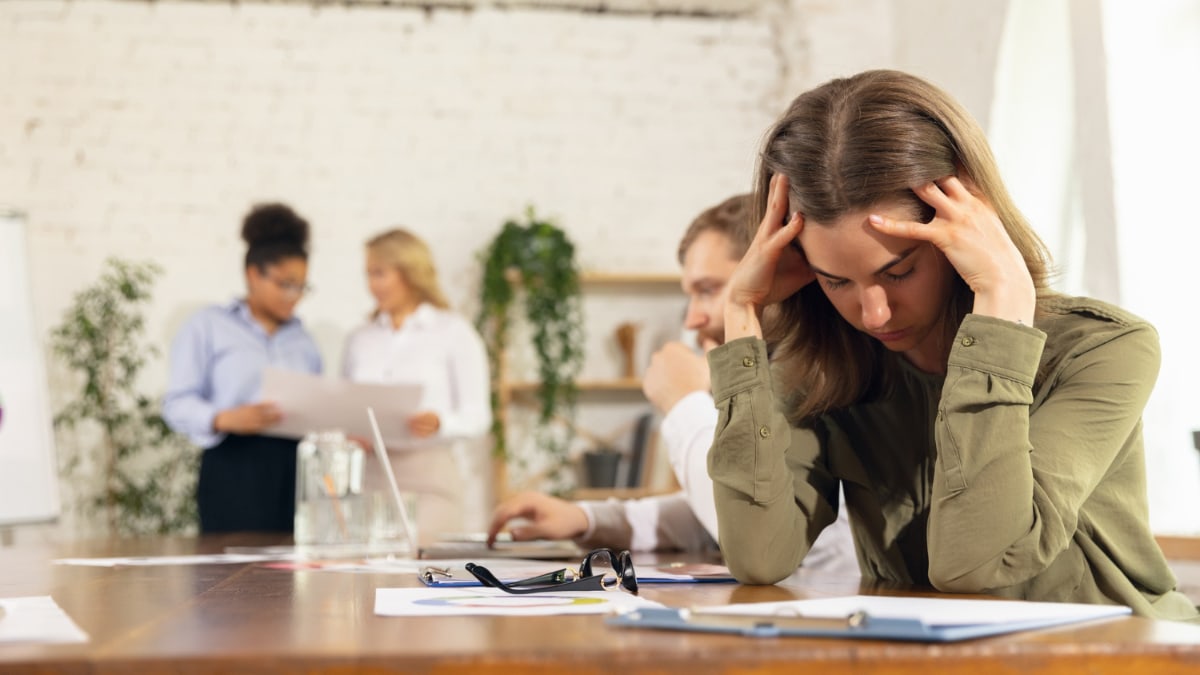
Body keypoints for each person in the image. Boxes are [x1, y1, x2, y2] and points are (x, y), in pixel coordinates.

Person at [709, 69, 1197, 619]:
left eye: (900, 271)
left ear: (965, 222)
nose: (874, 314)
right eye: (836, 281)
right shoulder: (822, 370)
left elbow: (974, 564)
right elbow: (758, 555)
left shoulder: (1106, 350)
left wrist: (1001, 304)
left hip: (1123, 657)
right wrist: (740, 314)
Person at [487, 195, 857, 573]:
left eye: (708, 290)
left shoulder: (823, 378)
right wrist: (587, 519)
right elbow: (732, 503)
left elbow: (769, 537)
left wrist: (684, 404)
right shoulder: (775, 369)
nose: (693, 318)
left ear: (774, 272)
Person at [164, 203, 322, 533]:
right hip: (234, 466)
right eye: (285, 284)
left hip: (294, 471)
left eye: (301, 286)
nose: (295, 296)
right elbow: (176, 402)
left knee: (296, 574)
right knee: (231, 577)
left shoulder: (303, 340)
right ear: (253, 274)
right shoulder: (208, 326)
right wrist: (224, 418)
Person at [341, 228, 491, 535]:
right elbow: (349, 404)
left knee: (421, 569)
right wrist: (352, 431)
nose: (372, 285)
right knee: (364, 575)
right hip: (370, 475)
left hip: (429, 476)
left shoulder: (454, 332)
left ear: (410, 272)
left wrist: (440, 423)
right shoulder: (360, 338)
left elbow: (479, 416)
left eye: (380, 274)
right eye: (368, 274)